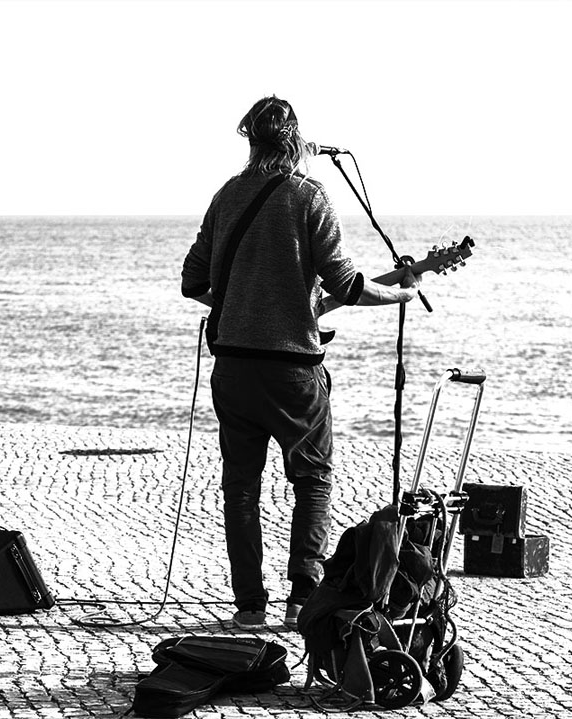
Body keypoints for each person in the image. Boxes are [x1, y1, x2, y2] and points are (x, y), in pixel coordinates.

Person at [180, 96, 421, 630]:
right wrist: (403, 295)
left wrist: (241, 305)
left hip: (233, 369)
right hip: (292, 373)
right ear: (296, 140)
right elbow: (346, 285)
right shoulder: (309, 196)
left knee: (239, 486)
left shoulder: (225, 195)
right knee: (312, 480)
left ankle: (248, 608)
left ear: (250, 140)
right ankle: (302, 597)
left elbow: (193, 282)